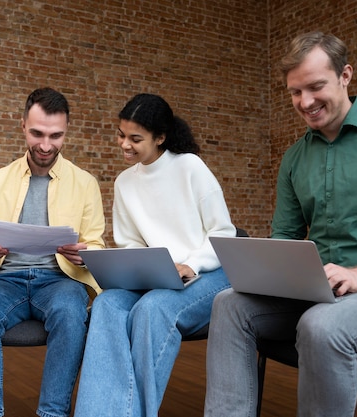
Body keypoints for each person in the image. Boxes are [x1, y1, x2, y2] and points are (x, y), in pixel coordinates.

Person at [204, 31, 357, 417]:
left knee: (321, 325)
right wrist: (264, 274)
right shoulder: (294, 159)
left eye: (316, 87)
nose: (305, 102)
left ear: (345, 75)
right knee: (228, 304)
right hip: (320, 292)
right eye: (294, 92)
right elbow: (284, 238)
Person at [74, 93, 236, 417]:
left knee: (153, 309)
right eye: (121, 135)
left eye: (136, 139)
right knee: (105, 304)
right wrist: (141, 266)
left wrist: (190, 264)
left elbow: (223, 233)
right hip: (158, 277)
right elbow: (131, 242)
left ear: (160, 137)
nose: (124, 145)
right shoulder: (124, 183)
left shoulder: (190, 167)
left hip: (208, 273)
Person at [0, 87, 105, 417]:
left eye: (56, 136)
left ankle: (52, 413)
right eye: (37, 133)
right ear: (22, 125)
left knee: (71, 314)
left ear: (66, 131)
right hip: (5, 279)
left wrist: (86, 254)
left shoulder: (85, 184)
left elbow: (96, 243)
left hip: (60, 280)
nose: (45, 145)